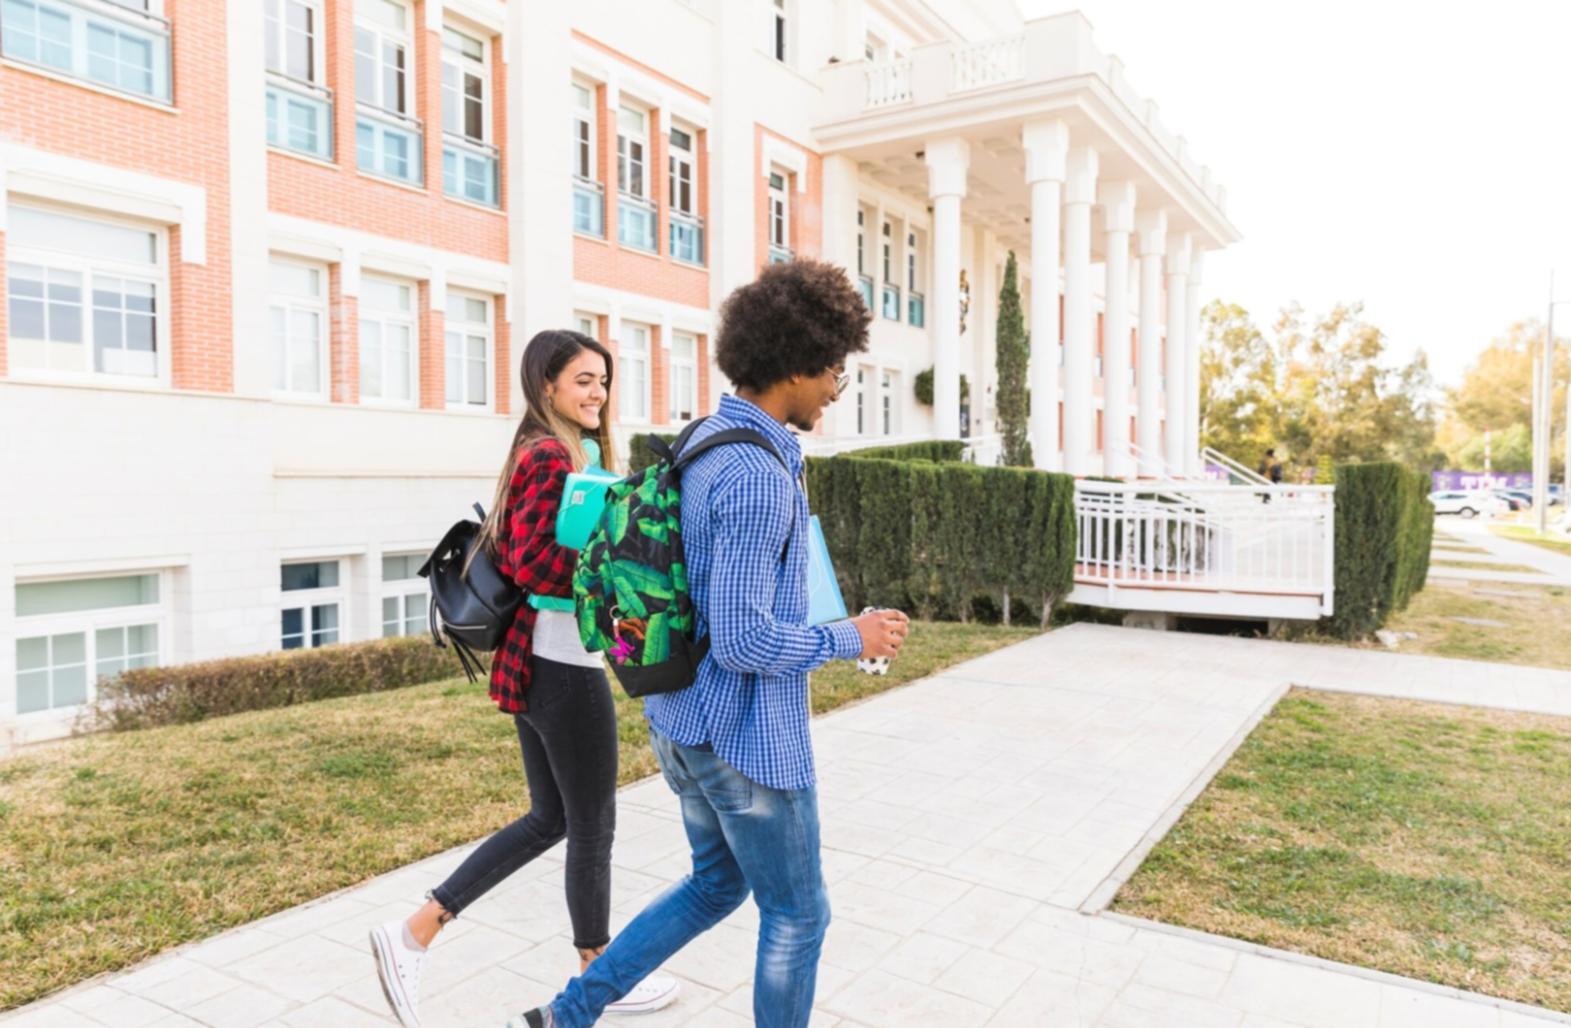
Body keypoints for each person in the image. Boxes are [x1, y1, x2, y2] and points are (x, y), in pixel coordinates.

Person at [506, 260, 911, 1028]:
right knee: (798, 915)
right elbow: (745, 640)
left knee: (714, 885)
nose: (835, 389)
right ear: (793, 365)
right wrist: (847, 635)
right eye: (834, 372)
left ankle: (563, 1017)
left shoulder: (704, 438)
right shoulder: (756, 476)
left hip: (682, 722)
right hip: (745, 741)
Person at [369, 330, 678, 1028]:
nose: (596, 392)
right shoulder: (546, 456)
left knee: (554, 818)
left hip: (546, 660)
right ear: (547, 387)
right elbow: (534, 564)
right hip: (557, 662)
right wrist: (615, 568)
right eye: (581, 381)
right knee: (591, 824)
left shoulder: (573, 452)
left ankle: (414, 931)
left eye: (602, 380)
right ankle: (597, 979)